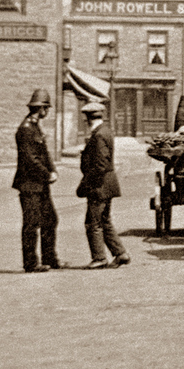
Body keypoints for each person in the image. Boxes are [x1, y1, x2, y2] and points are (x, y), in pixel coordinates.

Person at [12, 89, 61, 272]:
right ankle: (31, 263)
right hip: (30, 185)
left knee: (50, 220)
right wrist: (47, 174)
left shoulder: (35, 127)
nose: (46, 112)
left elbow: (44, 154)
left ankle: (50, 258)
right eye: (45, 108)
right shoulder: (25, 129)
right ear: (39, 108)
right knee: (31, 224)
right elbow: (30, 159)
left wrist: (53, 169)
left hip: (40, 185)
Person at [77, 101, 128, 269]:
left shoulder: (98, 136)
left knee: (93, 222)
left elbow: (100, 165)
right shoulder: (105, 131)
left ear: (88, 119)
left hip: (99, 186)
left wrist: (85, 183)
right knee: (105, 221)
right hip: (107, 184)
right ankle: (120, 253)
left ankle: (99, 258)